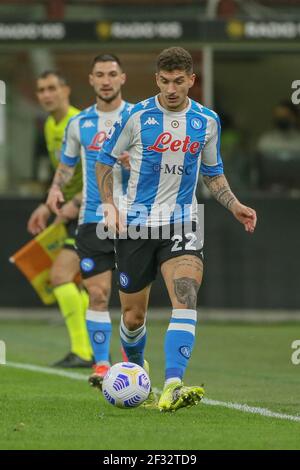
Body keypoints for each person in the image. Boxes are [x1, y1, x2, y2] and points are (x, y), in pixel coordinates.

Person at [96, 47, 257, 412]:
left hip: (183, 222)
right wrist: (109, 205)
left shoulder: (207, 121)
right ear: (157, 79)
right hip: (135, 226)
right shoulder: (136, 116)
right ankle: (136, 371)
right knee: (133, 316)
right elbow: (104, 161)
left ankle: (173, 385)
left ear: (191, 80)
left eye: (179, 81)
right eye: (165, 81)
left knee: (185, 296)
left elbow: (213, 174)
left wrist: (235, 206)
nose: (171, 89)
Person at [46, 54, 131, 387]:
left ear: (123, 78)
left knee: (130, 301)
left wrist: (134, 161)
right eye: (100, 75)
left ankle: (131, 362)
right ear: (91, 80)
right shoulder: (78, 123)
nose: (106, 80)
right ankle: (100, 365)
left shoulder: (139, 118)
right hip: (93, 218)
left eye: (112, 74)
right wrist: (55, 190)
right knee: (97, 294)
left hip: (132, 219)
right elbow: (67, 166)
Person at [27, 71, 93, 368]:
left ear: (66, 89)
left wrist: (76, 203)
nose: (46, 94)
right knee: (75, 282)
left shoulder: (79, 123)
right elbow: (62, 174)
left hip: (93, 208)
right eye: (41, 90)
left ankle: (84, 351)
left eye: (52, 87)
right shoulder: (50, 126)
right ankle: (87, 350)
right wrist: (47, 204)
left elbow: (99, 171)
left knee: (61, 277)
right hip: (73, 210)